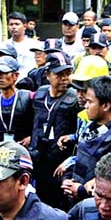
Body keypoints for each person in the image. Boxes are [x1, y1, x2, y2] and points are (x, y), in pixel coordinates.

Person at [62, 75, 111, 204]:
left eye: (90, 102)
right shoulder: (90, 128)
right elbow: (79, 161)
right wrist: (67, 180)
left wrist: (81, 190)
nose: (86, 106)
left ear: (105, 105)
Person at [30, 53, 80, 208]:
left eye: (67, 73)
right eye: (59, 74)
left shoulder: (74, 99)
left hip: (61, 161)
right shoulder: (40, 94)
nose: (65, 78)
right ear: (47, 75)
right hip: (39, 156)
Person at [0, 56, 35, 148]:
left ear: (16, 76)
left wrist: (32, 137)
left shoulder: (29, 97)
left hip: (23, 149)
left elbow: (39, 123)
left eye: (4, 73)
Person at [4, 11, 40, 76]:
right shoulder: (3, 46)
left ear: (24, 26)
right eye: (11, 24)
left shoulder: (36, 45)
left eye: (17, 24)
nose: (14, 27)